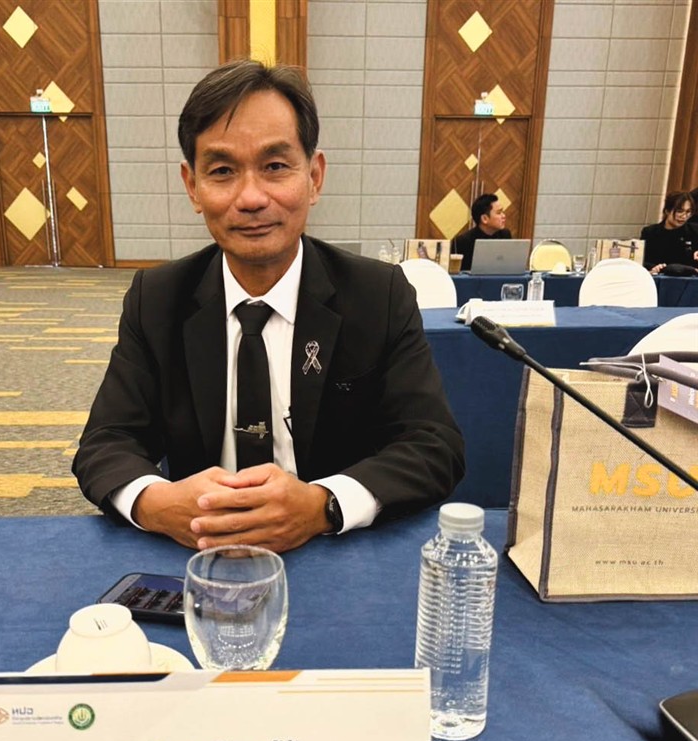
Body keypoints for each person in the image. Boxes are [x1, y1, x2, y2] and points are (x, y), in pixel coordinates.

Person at [73, 60, 464, 554]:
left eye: (275, 167)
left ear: (314, 177)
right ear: (192, 187)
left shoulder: (378, 295)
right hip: (199, 554)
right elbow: (105, 443)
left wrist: (323, 505)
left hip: (332, 554)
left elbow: (433, 445)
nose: (252, 197)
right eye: (222, 171)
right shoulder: (158, 299)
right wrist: (158, 503)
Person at [640, 190, 698, 274]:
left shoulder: (694, 231)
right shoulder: (650, 232)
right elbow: (642, 260)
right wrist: (653, 268)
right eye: (679, 211)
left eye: (688, 212)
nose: (684, 216)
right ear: (667, 211)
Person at [452, 194, 512, 271]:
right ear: (484, 219)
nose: (503, 216)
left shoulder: (505, 235)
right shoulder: (462, 242)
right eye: (499, 213)